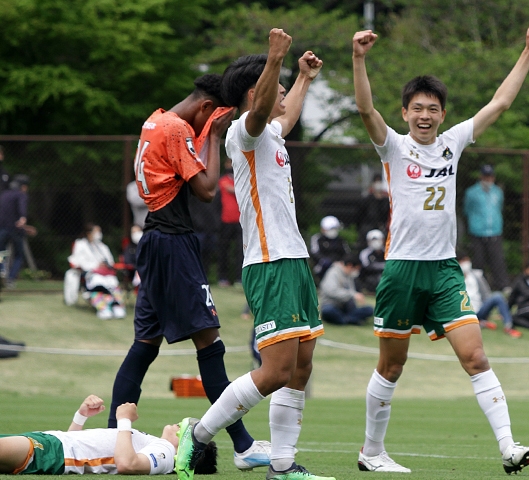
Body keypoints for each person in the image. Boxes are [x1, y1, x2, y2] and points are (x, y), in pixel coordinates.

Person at [351, 23, 529, 474]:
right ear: (404, 112)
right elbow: (364, 109)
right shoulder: (394, 148)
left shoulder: (453, 143)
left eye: (433, 109)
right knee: (391, 366)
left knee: (476, 356)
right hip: (401, 271)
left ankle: (508, 447)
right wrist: (359, 58)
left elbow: (500, 102)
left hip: (443, 271)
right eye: (417, 108)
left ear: (442, 114)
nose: (425, 115)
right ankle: (371, 453)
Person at [174, 29, 335, 480]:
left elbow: (285, 112)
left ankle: (282, 467)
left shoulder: (273, 138)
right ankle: (198, 434)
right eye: (277, 88)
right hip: (269, 264)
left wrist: (303, 77)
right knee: (276, 370)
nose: (283, 95)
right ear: (255, 93)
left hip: (295, 262)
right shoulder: (245, 132)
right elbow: (264, 107)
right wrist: (275, 59)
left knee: (300, 369)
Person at [107, 74, 271, 472]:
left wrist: (207, 131)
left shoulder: (155, 121)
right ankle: (244, 445)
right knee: (210, 344)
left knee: (145, 345)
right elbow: (208, 188)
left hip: (156, 242)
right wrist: (214, 136)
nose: (205, 129)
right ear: (206, 110)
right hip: (175, 246)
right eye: (212, 119)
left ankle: (111, 437)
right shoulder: (179, 127)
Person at [0, 394, 217, 475]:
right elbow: (76, 447)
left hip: (49, 450)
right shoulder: (157, 444)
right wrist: (81, 417)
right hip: (52, 445)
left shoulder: (167, 454)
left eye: (188, 431)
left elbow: (127, 464)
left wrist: (124, 420)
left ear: (189, 449)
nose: (181, 425)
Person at [464, 164, 510, 292]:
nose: (488, 179)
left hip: (495, 231)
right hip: (477, 231)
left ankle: (503, 285)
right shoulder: (471, 192)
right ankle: (478, 286)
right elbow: (467, 210)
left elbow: (499, 208)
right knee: (478, 260)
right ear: (481, 177)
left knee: (497, 260)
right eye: (486, 176)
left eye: (490, 176)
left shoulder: (497, 192)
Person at [67, 223, 126, 320]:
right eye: (96, 231)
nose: (99, 234)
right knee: (98, 282)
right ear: (89, 233)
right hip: (91, 273)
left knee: (112, 281)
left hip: (106, 273)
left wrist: (105, 265)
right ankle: (103, 307)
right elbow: (78, 261)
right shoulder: (80, 245)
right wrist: (96, 266)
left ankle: (116, 305)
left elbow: (110, 261)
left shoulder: (103, 246)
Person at [458, 252, 521, 338]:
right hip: (462, 313)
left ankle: (508, 326)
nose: (466, 263)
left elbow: (486, 294)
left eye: (467, 260)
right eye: (463, 261)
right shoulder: (453, 278)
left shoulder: (476, 276)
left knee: (497, 296)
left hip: (479, 311)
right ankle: (478, 322)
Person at [319, 253, 374, 325]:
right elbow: (331, 292)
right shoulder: (333, 273)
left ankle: (345, 319)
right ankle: (351, 320)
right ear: (350, 266)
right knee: (328, 311)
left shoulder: (350, 276)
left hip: (346, 307)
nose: (356, 272)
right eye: (356, 269)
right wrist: (353, 295)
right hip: (332, 305)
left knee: (369, 310)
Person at [0, 174, 30, 289]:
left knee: (1, 252)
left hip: (2, 228)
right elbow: (22, 208)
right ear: (24, 186)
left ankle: (1, 270)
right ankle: (10, 280)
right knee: (18, 255)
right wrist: (23, 217)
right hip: (16, 229)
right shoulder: (21, 195)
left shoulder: (4, 195)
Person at [217, 157, 243, 287]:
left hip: (240, 221)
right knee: (224, 250)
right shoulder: (223, 180)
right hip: (226, 221)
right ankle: (222, 278)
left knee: (240, 251)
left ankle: (239, 279)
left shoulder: (240, 179)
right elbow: (230, 189)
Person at [309, 215, 351, 281]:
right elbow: (314, 252)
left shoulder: (341, 240)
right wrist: (325, 260)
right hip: (323, 265)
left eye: (335, 229)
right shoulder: (317, 238)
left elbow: (347, 253)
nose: (333, 231)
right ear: (323, 229)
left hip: (339, 265)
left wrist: (341, 262)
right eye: (331, 229)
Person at [356, 173, 389, 247]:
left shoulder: (386, 201)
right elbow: (359, 215)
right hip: (368, 226)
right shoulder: (366, 200)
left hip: (381, 227)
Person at [358, 229, 386, 293]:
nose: (376, 242)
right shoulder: (365, 253)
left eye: (378, 240)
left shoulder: (387, 252)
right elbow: (366, 267)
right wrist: (382, 266)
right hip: (370, 277)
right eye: (373, 240)